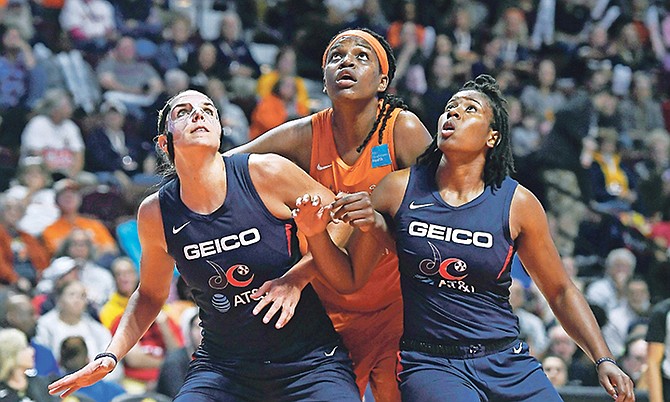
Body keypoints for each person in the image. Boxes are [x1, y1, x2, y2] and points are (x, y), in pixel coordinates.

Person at [293, 74, 635, 401]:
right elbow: (350, 278)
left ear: (492, 137)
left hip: (506, 359)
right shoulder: (397, 189)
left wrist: (602, 357)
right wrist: (318, 234)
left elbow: (559, 290)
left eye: (470, 109)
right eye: (450, 108)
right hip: (431, 363)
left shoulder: (518, 203)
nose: (454, 113)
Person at [47, 89, 360, 401]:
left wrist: (297, 277)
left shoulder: (265, 172)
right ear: (164, 142)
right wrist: (111, 355)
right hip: (225, 369)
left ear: (220, 130)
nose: (198, 114)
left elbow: (342, 218)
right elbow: (149, 296)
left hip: (308, 361)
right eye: (183, 112)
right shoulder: (156, 212)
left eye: (208, 110)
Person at [230, 27, 432, 401]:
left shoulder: (402, 129)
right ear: (323, 81)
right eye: (336, 57)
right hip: (327, 313)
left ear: (383, 80)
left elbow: (447, 204)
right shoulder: (306, 133)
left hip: (396, 309)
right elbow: (228, 167)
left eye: (361, 56)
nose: (347, 63)